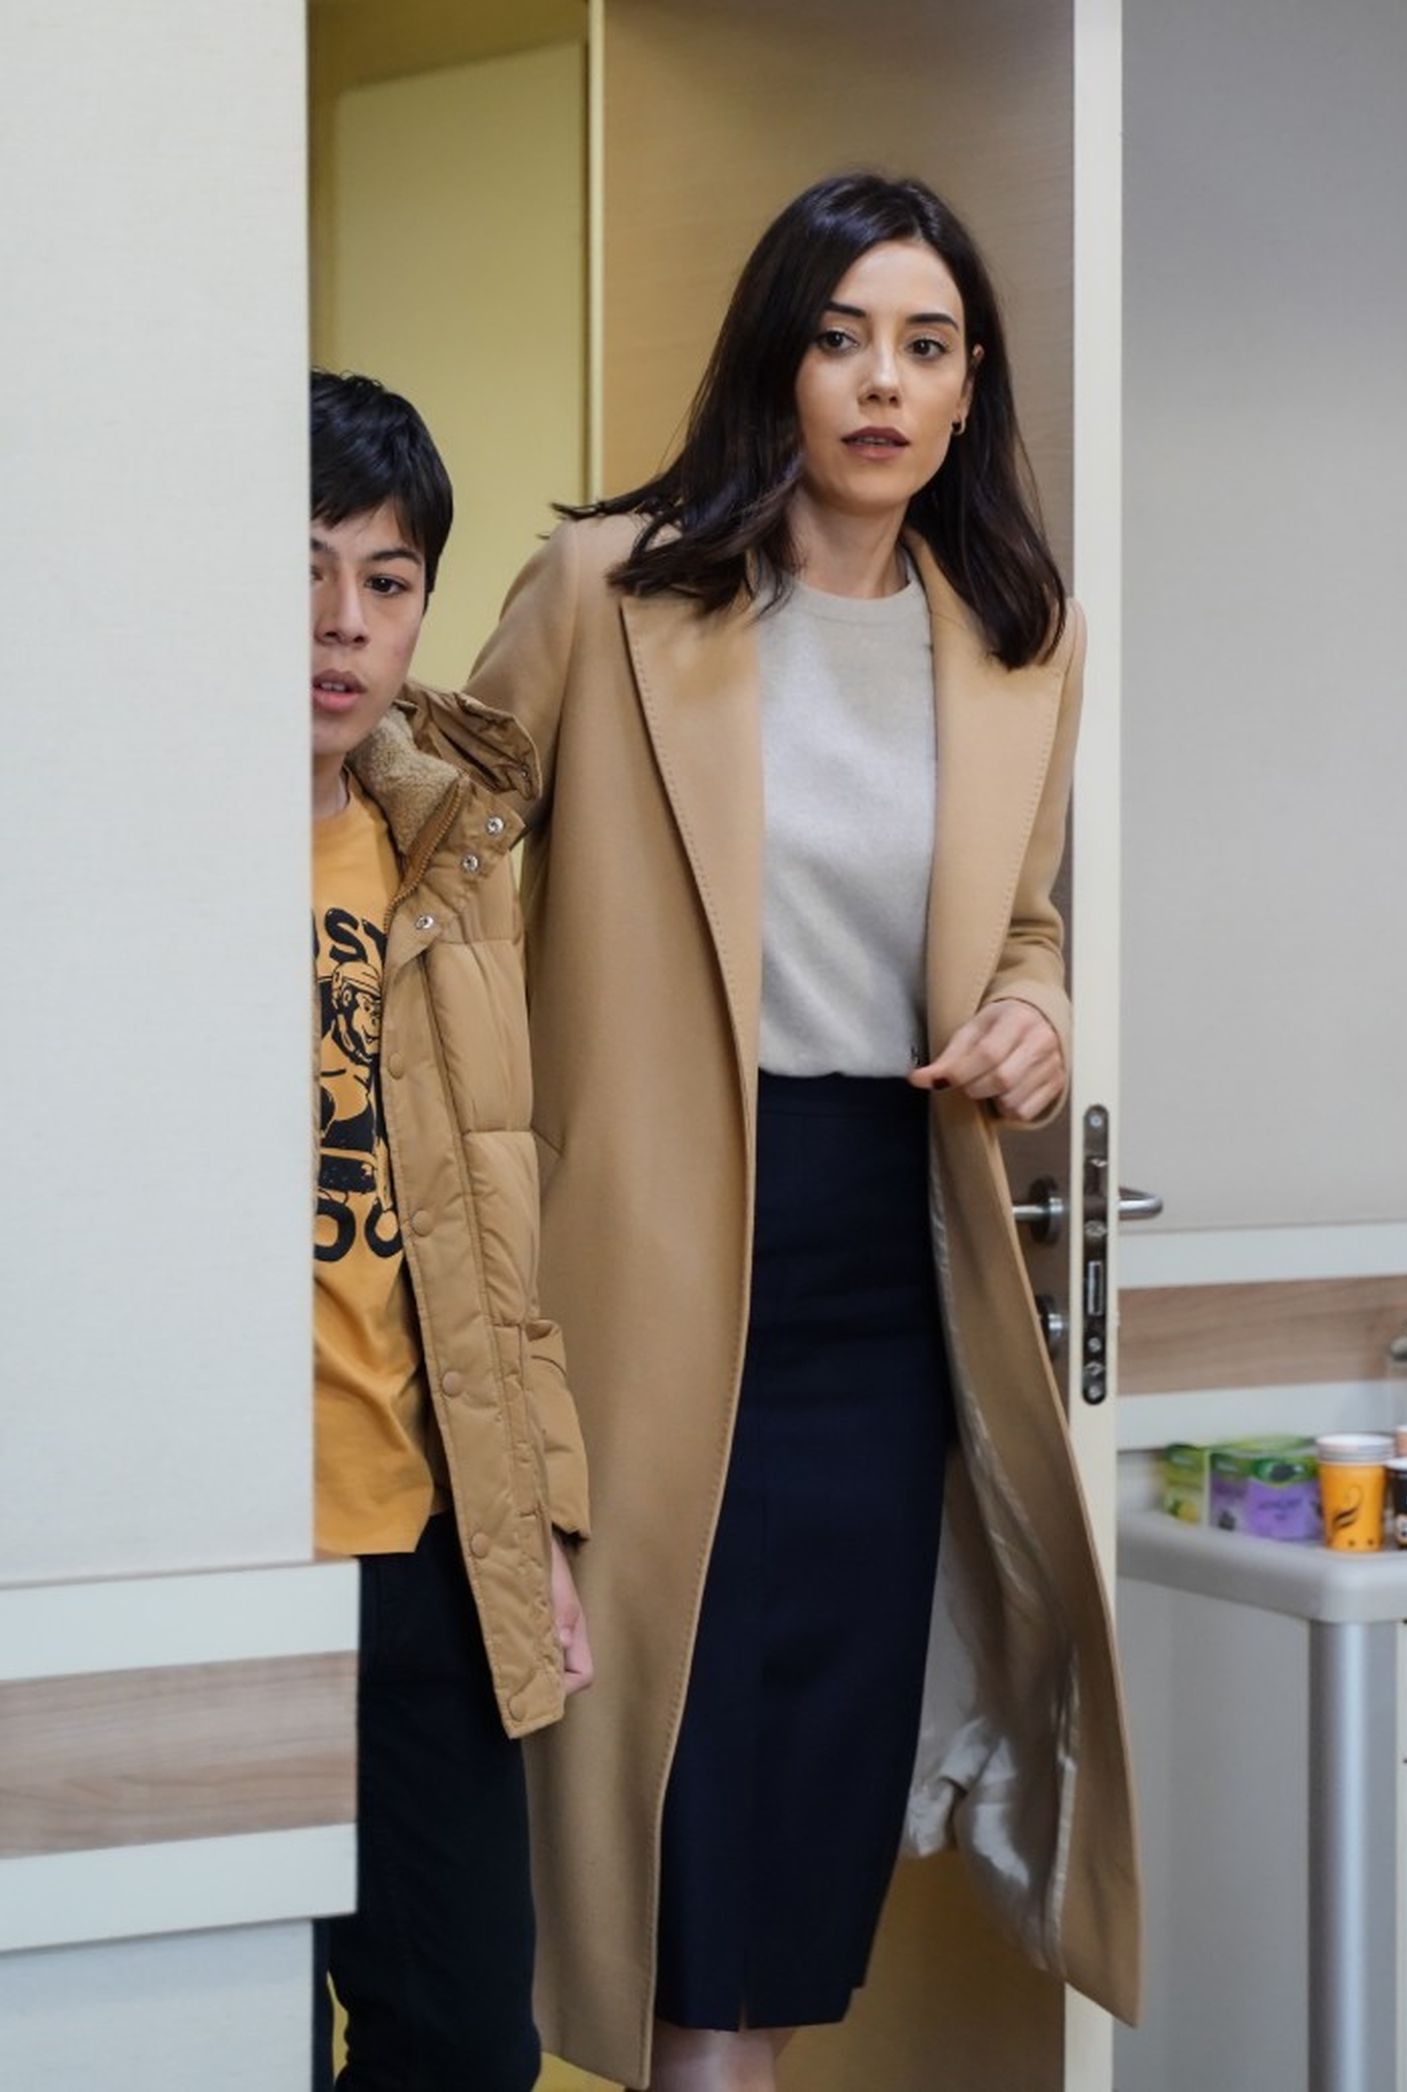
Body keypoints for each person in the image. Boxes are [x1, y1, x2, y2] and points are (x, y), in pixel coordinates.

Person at [467, 173, 1140, 2092]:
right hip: (654, 1253)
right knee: (678, 1808)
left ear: (970, 386)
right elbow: (444, 869)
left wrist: (1038, 1014)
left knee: (795, 1843)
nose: (881, 383)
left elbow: (1020, 920)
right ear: (780, 358)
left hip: (885, 1273)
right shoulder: (610, 590)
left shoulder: (1017, 639)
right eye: (842, 339)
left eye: (925, 347)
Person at [308, 369, 593, 2091]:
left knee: (468, 2042)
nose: (343, 621)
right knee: (220, 2026)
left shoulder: (450, 853)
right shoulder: (106, 847)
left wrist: (530, 1519)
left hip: (422, 1546)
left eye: (388, 579)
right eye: (298, 569)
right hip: (222, 1549)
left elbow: (498, 1215)